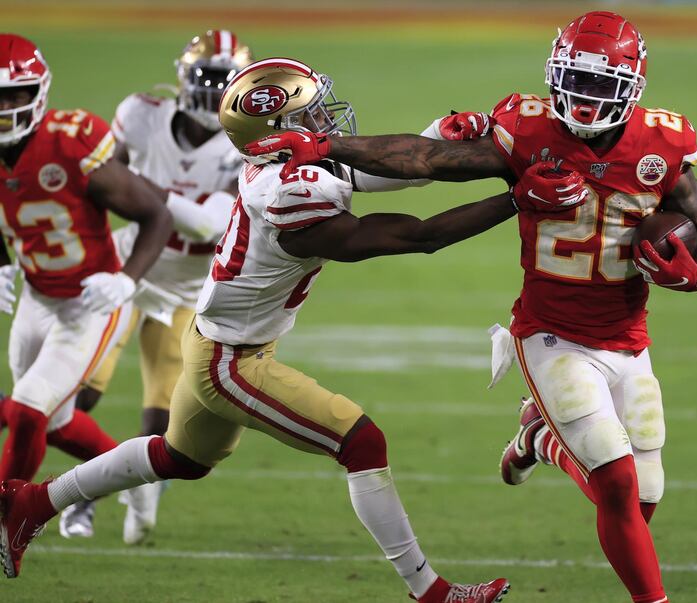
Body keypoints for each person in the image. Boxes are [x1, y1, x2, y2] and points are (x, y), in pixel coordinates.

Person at [247, 12, 697, 603]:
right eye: (575, 79)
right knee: (618, 482)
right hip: (550, 335)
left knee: (643, 496)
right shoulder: (528, 131)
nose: (584, 97)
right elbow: (424, 159)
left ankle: (538, 440)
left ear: (631, 85)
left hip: (629, 335)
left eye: (602, 85)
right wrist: (328, 144)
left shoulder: (663, 141)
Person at [0, 57, 520, 603]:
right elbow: (417, 237)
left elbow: (375, 166)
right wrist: (514, 198)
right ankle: (430, 592)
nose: (327, 121)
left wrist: (439, 134)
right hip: (232, 360)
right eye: (311, 112)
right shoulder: (291, 195)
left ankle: (31, 503)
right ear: (279, 131)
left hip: (215, 339)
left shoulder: (282, 169)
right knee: (361, 442)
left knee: (179, 459)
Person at [61, 30, 253, 544]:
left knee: (161, 418)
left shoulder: (249, 141)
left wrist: (143, 190)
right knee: (77, 392)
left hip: (188, 289)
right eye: (205, 80)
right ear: (184, 78)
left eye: (223, 82)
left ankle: (120, 496)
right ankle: (81, 499)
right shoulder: (141, 114)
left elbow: (207, 225)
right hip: (126, 271)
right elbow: (105, 179)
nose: (213, 94)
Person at [0, 35, 171, 492]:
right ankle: (139, 480)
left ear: (39, 93)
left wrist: (126, 280)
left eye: (16, 95)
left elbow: (156, 214)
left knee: (28, 408)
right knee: (51, 423)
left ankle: (8, 515)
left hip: (90, 302)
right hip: (37, 297)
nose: (6, 107)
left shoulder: (71, 142)